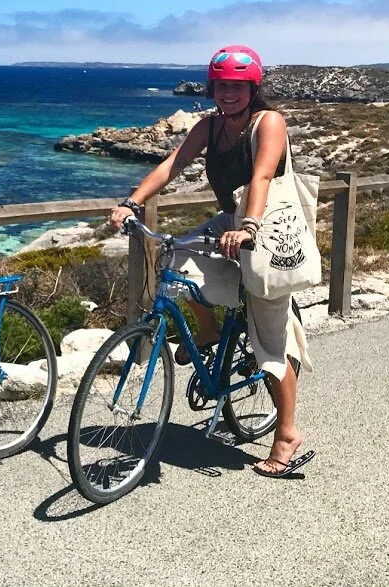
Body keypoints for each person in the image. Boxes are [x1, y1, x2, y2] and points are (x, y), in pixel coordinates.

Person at [108, 45, 314, 479]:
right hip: (230, 222)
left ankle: (288, 434)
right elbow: (171, 165)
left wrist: (250, 228)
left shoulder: (268, 122)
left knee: (269, 341)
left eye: (238, 86)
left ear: (253, 88)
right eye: (222, 86)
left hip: (266, 230)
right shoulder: (209, 127)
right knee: (175, 256)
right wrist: (131, 202)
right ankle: (207, 329)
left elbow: (260, 176)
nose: (229, 94)